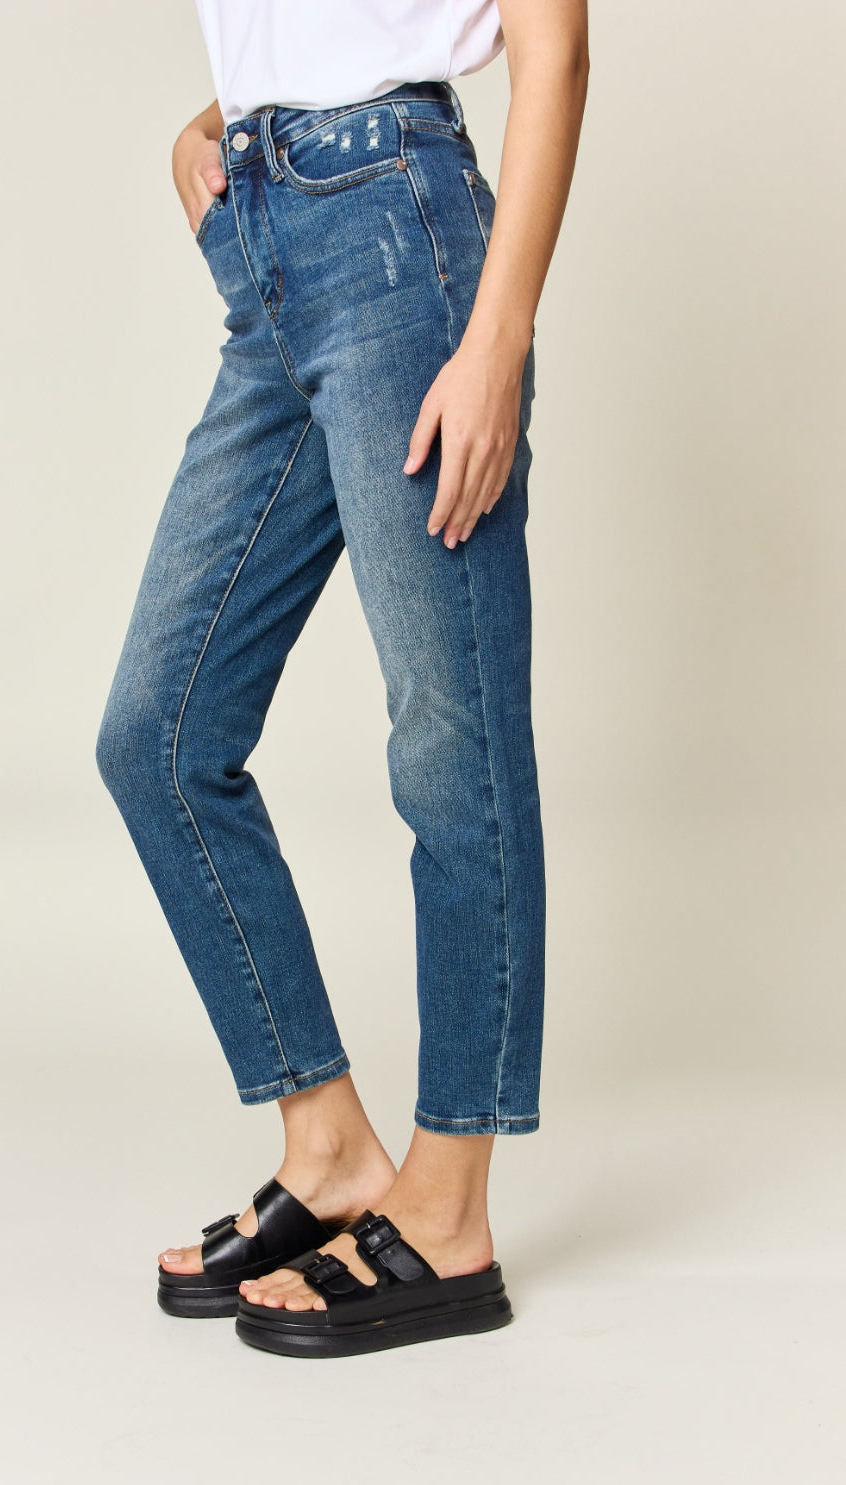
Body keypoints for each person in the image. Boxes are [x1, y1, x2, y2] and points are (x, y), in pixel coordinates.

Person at [95, 0, 589, 1358]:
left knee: (452, 732)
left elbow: (553, 40)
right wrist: (219, 135)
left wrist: (493, 340)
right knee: (160, 735)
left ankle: (450, 1212)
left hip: (400, 244)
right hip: (271, 236)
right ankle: (332, 1153)